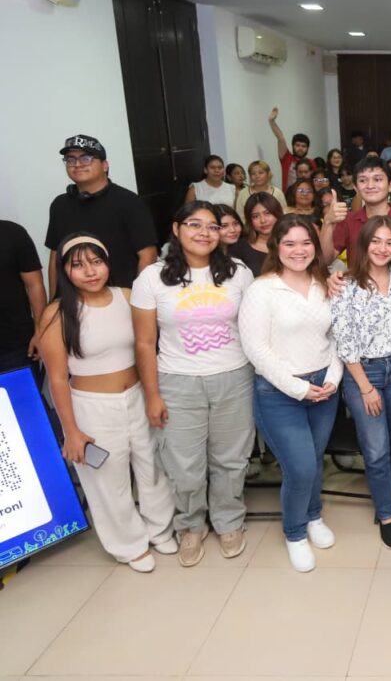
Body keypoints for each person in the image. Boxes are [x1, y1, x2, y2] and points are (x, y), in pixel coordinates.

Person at [37, 234, 176, 572]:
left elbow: (149, 344)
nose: (90, 272)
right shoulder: (57, 313)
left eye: (96, 262)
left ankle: (160, 528)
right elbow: (57, 378)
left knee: (153, 466)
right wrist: (71, 431)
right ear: (64, 271)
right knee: (108, 479)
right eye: (78, 265)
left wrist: (154, 395)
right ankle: (128, 544)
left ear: (107, 263)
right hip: (92, 405)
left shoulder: (127, 296)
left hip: (138, 394)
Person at [132, 201, 255, 567]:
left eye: (212, 226)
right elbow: (144, 343)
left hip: (234, 377)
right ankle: (190, 525)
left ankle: (229, 520)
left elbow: (254, 327)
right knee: (183, 463)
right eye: (194, 224)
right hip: (177, 380)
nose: (204, 233)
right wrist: (152, 395)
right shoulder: (151, 278)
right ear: (176, 229)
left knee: (231, 458)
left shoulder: (239, 273)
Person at [239, 214, 341, 572]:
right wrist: (299, 388)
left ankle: (313, 515)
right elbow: (256, 349)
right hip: (280, 392)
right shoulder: (261, 290)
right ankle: (295, 532)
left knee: (314, 460)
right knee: (299, 467)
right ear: (276, 247)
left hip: (324, 387)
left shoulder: (325, 283)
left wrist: (333, 377)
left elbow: (336, 336)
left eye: (306, 242)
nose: (299, 250)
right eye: (290, 243)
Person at [332, 216, 391, 548]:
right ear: (364, 244)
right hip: (364, 372)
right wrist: (366, 388)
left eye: (390, 242)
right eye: (376, 241)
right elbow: (345, 342)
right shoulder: (346, 284)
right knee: (376, 447)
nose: (383, 248)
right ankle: (385, 513)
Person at [46, 134, 157, 292]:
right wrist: (54, 300)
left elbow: (148, 255)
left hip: (122, 295)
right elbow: (55, 257)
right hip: (74, 298)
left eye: (86, 158)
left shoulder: (129, 202)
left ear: (104, 165)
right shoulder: (59, 205)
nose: (77, 164)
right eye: (70, 160)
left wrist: (139, 298)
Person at [330, 156, 391, 264]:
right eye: (363, 180)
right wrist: (327, 223)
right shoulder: (348, 220)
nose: (370, 186)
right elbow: (325, 259)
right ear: (356, 188)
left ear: (390, 185)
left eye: (377, 179)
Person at [0, 220, 45, 376]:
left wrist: (40, 332)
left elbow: (35, 285)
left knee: (23, 392)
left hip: (16, 344)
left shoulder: (12, 232)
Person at [232, 192, 284, 274]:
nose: (263, 220)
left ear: (278, 213)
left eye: (267, 213)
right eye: (256, 216)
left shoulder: (292, 243)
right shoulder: (239, 248)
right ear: (250, 220)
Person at [268, 107, 315, 192]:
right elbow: (280, 138)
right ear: (293, 146)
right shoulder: (287, 158)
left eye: (303, 146)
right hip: (288, 197)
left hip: (307, 196)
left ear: (307, 149)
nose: (300, 148)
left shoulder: (312, 163)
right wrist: (272, 121)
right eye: (297, 145)